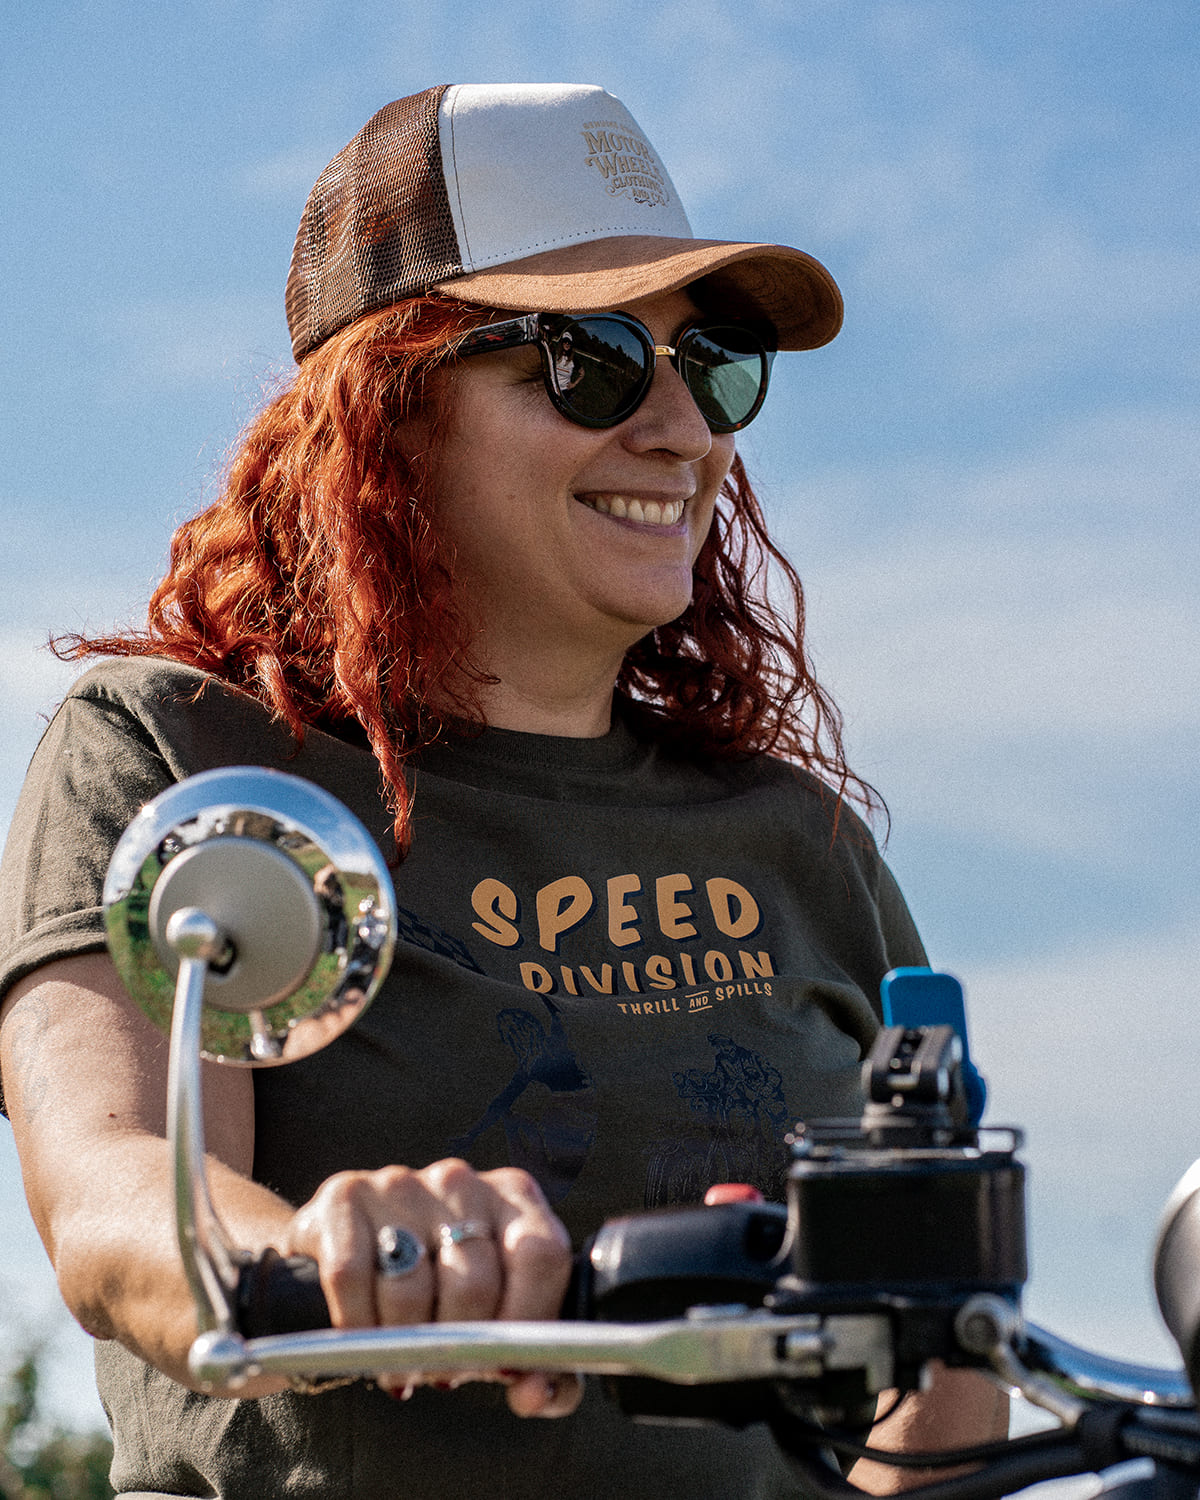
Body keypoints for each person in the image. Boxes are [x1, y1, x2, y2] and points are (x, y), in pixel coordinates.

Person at [0, 84, 1006, 1499]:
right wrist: (348, 1254)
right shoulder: (179, 755)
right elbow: (117, 1210)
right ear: (382, 414)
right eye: (590, 361)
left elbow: (938, 1354)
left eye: (712, 364)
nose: (680, 429)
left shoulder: (802, 842)